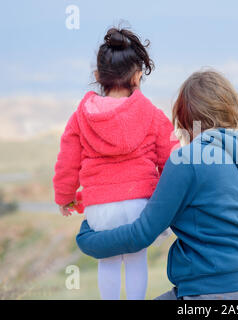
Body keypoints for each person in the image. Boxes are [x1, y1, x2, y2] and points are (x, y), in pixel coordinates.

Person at [76, 70, 238, 300]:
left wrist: (88, 239)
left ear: (185, 118)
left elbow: (141, 234)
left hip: (204, 295)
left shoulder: (187, 161)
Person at [53, 27, 178, 300]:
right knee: (136, 261)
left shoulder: (81, 117)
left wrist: (65, 196)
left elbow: (67, 161)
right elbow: (171, 160)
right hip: (139, 205)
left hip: (99, 207)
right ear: (137, 76)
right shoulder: (153, 115)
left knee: (107, 262)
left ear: (98, 77)